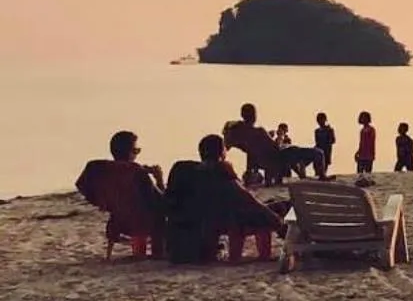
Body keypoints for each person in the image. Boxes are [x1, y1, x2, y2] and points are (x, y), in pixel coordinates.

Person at [162, 135, 286, 265]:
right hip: (216, 229)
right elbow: (248, 200)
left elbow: (167, 203)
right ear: (222, 152)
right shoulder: (219, 171)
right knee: (271, 210)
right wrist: (278, 224)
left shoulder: (183, 170)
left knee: (260, 210)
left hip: (181, 243)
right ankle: (266, 254)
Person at [75, 131, 166, 258]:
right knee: (162, 218)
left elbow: (81, 185)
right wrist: (159, 180)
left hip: (117, 220)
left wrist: (103, 203)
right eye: (136, 150)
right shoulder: (136, 171)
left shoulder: (103, 169)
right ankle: (158, 254)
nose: (136, 154)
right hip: (141, 223)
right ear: (129, 152)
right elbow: (161, 203)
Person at [312, 112, 337, 180]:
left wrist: (326, 142)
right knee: (317, 167)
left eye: (321, 120)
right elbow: (317, 142)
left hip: (326, 151)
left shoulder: (329, 130)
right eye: (319, 120)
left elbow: (333, 140)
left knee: (324, 166)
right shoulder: (317, 131)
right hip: (319, 151)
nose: (320, 122)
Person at [355, 111, 377, 177]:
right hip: (362, 154)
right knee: (360, 172)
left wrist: (371, 154)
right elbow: (361, 143)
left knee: (368, 172)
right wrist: (358, 152)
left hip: (368, 154)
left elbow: (371, 142)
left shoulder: (371, 129)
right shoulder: (362, 130)